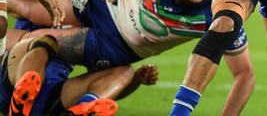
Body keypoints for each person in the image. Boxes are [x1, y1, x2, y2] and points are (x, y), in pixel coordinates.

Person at [6, 0, 255, 116]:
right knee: (31, 13)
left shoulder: (218, 12)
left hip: (112, 48)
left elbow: (245, 74)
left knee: (39, 40)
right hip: (98, 2)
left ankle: (79, 105)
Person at [1, 35, 158, 116]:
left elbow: (104, 85)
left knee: (125, 71)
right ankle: (20, 101)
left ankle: (78, 111)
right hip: (15, 76)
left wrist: (135, 79)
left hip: (53, 95)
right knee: (45, 41)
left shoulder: (87, 15)